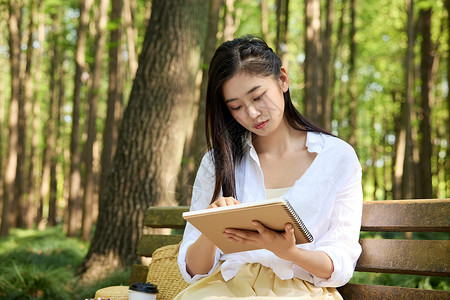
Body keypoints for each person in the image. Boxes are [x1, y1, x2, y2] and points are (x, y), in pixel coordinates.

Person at [175, 35, 363, 299]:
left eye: (258, 96)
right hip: (225, 288)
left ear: (283, 80)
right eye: (236, 107)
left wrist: (289, 252)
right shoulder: (218, 162)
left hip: (298, 290)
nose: (252, 114)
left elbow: (341, 262)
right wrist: (212, 227)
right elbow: (193, 270)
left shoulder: (335, 157)